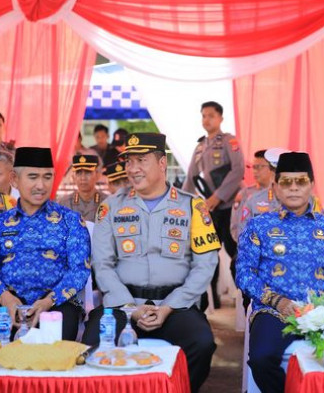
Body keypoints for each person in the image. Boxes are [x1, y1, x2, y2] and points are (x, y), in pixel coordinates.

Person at [84, 133, 219, 393]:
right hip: (122, 305)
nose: (132, 168)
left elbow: (205, 266)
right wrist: (131, 308)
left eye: (141, 160)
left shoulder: (193, 206)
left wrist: (168, 307)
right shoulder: (111, 207)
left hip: (175, 307)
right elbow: (102, 264)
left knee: (202, 344)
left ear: (161, 163)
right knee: (92, 344)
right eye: (129, 161)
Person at [237, 151, 324, 393]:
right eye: (286, 182)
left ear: (311, 185)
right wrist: (277, 301)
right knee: (261, 359)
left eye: (300, 181)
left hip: (322, 313)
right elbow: (244, 273)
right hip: (275, 311)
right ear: (276, 187)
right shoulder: (259, 226)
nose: (293, 188)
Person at [0, 147, 91, 341]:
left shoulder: (71, 221)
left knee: (54, 351)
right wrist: (6, 298)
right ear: (14, 179)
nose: (41, 185)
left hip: (57, 303)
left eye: (47, 177)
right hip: (7, 302)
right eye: (33, 177)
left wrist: (48, 301)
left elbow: (79, 270)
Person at [183, 101, 245, 307]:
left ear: (220, 118)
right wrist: (181, 202)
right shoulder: (200, 146)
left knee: (234, 250)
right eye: (203, 115)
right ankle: (213, 298)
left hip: (230, 206)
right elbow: (191, 176)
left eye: (211, 115)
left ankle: (243, 296)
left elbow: (238, 170)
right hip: (210, 208)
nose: (206, 119)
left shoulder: (229, 141)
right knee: (208, 252)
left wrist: (218, 197)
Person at [230, 149, 274, 243]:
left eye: (259, 167)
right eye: (253, 167)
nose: (255, 171)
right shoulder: (244, 194)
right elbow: (236, 227)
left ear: (272, 168)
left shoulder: (282, 194)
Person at [57, 154, 106, 222]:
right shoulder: (64, 203)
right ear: (73, 177)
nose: (83, 178)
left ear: (98, 175)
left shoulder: (107, 202)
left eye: (88, 172)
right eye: (79, 173)